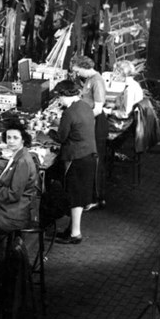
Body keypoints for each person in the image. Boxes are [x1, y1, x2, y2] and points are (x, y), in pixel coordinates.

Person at [0, 122, 40, 263]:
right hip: (12, 210)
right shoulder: (19, 155)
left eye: (15, 138)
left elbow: (13, 195)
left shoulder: (22, 161)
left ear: (23, 139)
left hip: (13, 215)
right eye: (8, 138)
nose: (11, 141)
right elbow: (12, 181)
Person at [50, 80, 96, 245]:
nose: (59, 101)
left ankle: (75, 234)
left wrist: (49, 130)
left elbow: (62, 137)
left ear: (64, 95)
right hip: (89, 156)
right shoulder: (85, 106)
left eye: (59, 97)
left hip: (76, 158)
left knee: (74, 196)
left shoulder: (69, 113)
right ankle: (71, 229)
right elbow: (77, 128)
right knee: (80, 194)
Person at [71, 54, 107, 210]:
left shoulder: (97, 81)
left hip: (96, 123)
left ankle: (95, 198)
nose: (77, 74)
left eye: (78, 71)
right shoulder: (89, 79)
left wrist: (81, 120)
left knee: (95, 161)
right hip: (90, 122)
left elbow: (98, 109)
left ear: (85, 67)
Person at [103, 60, 144, 133]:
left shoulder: (129, 89)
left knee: (98, 125)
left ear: (120, 73)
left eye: (115, 73)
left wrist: (108, 111)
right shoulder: (132, 83)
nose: (113, 76)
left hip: (126, 122)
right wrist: (113, 105)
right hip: (128, 117)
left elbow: (125, 114)